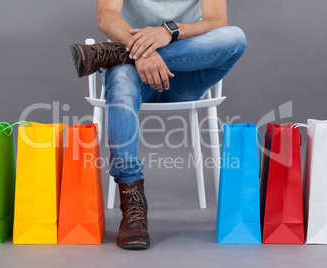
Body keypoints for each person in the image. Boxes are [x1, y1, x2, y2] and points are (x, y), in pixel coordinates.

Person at [70, 0, 247, 250]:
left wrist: (168, 31)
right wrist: (142, 51)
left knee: (235, 37)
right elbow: (106, 16)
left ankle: (115, 54)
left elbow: (217, 22)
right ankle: (132, 205)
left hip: (186, 75)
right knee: (120, 79)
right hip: (134, 76)